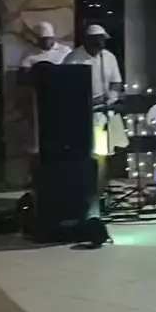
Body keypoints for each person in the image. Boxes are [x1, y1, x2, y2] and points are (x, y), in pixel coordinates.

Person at [63, 24, 127, 220]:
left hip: (106, 113)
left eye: (103, 39)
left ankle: (101, 194)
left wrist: (112, 96)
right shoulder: (74, 59)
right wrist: (92, 100)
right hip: (85, 114)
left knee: (105, 156)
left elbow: (116, 82)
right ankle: (87, 197)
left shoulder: (109, 57)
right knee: (90, 158)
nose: (101, 43)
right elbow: (67, 89)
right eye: (97, 40)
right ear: (87, 40)